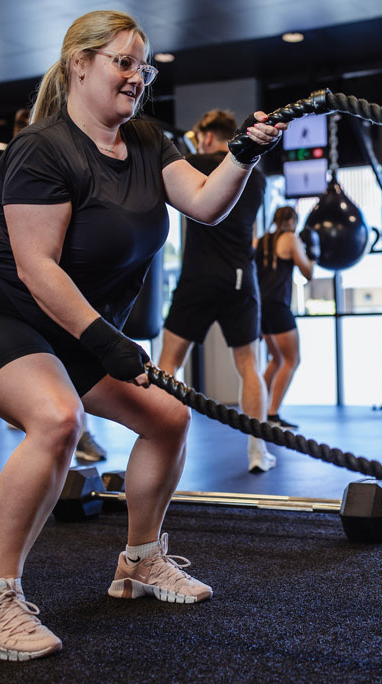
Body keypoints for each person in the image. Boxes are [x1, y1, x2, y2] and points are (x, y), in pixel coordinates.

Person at [0, 10, 283, 661]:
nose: (137, 77)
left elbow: (206, 203)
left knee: (167, 419)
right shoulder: (44, 149)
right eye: (124, 62)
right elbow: (37, 268)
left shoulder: (149, 141)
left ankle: (140, 561)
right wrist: (107, 339)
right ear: (80, 66)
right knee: (58, 419)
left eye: (143, 66)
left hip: (69, 325)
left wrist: (244, 154)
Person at [0, 108, 108, 467]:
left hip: (46, 273)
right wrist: (27, 192)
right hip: (1, 276)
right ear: (20, 132)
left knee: (64, 351)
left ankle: (82, 431)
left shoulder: (64, 161)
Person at [157, 109, 277, 473]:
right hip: (240, 277)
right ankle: (258, 449)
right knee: (249, 366)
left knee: (168, 362)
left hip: (198, 276)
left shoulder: (191, 164)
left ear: (209, 136)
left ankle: (161, 441)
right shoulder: (256, 178)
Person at [253, 206, 317, 428]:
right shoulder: (290, 239)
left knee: (277, 359)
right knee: (292, 360)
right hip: (278, 307)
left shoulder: (259, 241)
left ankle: (257, 409)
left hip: (261, 308)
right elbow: (307, 273)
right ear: (291, 221)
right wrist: (314, 254)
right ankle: (272, 415)